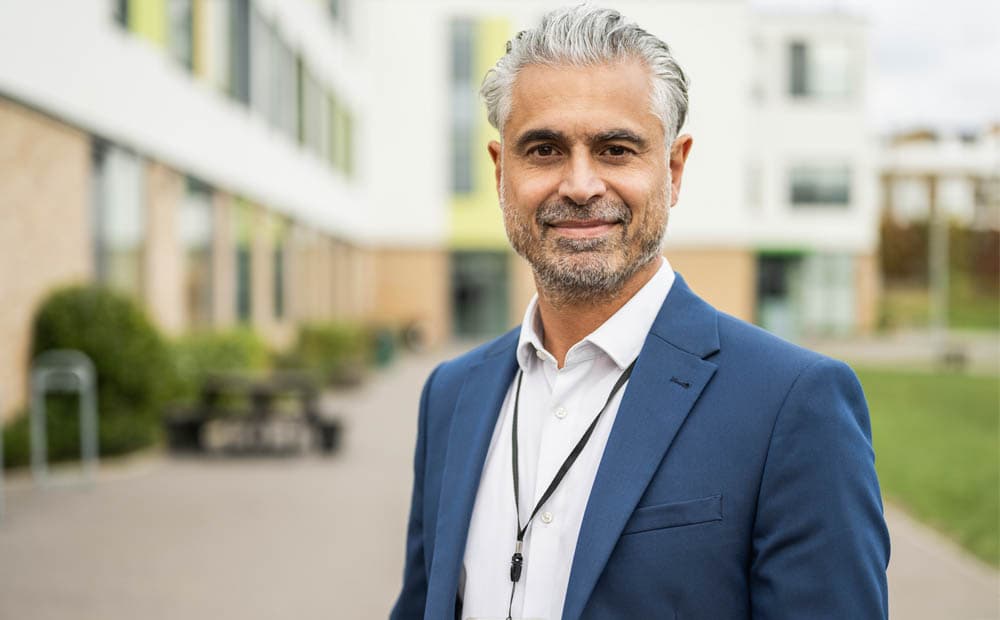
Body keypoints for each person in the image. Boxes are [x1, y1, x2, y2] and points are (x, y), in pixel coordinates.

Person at [390, 5, 890, 619]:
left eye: (616, 149)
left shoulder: (794, 404)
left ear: (673, 170)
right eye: (544, 150)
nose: (579, 184)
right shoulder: (450, 394)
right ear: (500, 172)